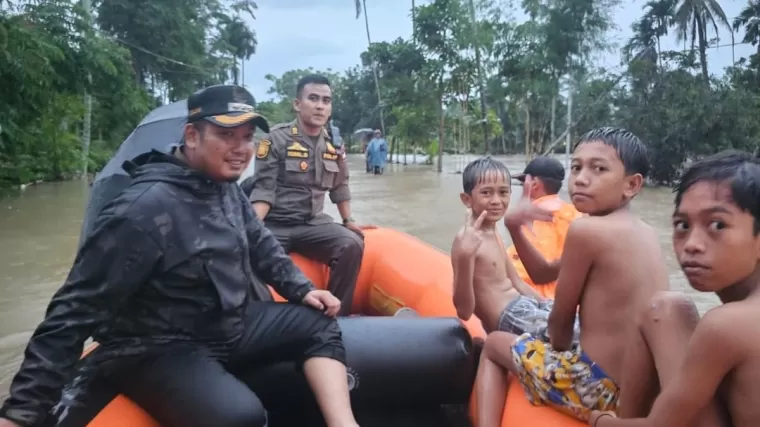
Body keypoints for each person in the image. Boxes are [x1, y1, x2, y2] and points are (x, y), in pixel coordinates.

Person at [0, 85, 360, 427]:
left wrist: (301, 289)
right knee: (241, 415)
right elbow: (73, 311)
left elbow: (260, 242)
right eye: (226, 135)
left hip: (226, 324)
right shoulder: (141, 210)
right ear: (192, 136)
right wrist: (21, 411)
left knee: (320, 323)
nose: (241, 148)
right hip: (157, 346)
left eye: (247, 137)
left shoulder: (224, 189)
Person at [474, 127, 670, 426]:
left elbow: (560, 327)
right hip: (638, 390)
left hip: (597, 388)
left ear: (632, 184)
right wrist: (515, 226)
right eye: (576, 167)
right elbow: (543, 273)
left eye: (598, 168)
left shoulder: (586, 231)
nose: (581, 178)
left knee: (493, 344)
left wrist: (550, 353)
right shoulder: (644, 232)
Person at [589, 151, 760, 427]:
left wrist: (599, 420)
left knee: (665, 308)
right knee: (667, 308)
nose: (691, 243)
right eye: (682, 225)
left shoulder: (727, 325)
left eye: (717, 225)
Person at [249, 74, 372, 316]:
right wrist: (251, 229)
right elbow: (264, 189)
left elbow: (340, 184)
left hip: (313, 223)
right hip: (277, 223)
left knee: (352, 244)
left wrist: (348, 221)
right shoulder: (276, 139)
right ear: (297, 104)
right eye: (313, 98)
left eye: (326, 100)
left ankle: (337, 315)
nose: (320, 105)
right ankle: (261, 317)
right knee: (247, 254)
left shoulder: (333, 145)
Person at [451, 157, 579, 343]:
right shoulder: (465, 241)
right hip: (510, 316)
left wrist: (549, 305)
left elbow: (517, 283)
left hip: (525, 305)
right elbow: (464, 311)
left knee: (584, 321)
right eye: (486, 193)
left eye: (503, 192)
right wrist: (465, 257)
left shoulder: (492, 230)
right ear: (466, 199)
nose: (497, 200)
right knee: (578, 336)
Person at [507, 156, 583, 298]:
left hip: (539, 301)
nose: (522, 187)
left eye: (524, 182)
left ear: (534, 184)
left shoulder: (536, 215)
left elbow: (536, 271)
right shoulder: (574, 212)